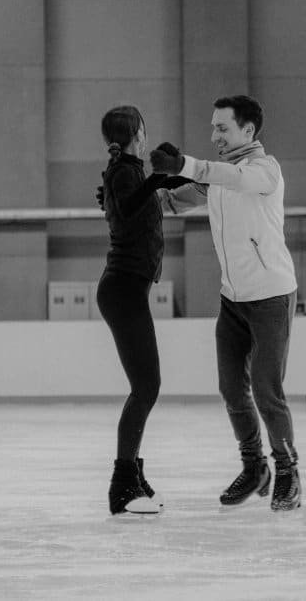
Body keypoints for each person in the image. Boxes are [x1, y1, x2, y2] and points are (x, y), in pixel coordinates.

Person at [149, 95, 301, 511]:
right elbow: (173, 200)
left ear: (248, 131)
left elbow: (230, 177)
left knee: (267, 390)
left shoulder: (264, 171)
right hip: (233, 299)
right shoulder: (216, 179)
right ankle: (255, 467)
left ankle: (287, 470)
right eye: (213, 127)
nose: (214, 135)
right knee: (232, 388)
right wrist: (127, 200)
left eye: (222, 128)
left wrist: (183, 163)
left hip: (271, 297)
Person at [95, 105, 192, 516]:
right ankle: (122, 486)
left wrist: (179, 172)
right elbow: (133, 205)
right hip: (122, 291)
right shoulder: (124, 172)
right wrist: (158, 176)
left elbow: (139, 199)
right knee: (146, 388)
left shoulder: (126, 171)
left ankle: (133, 475)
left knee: (146, 386)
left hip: (127, 290)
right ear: (138, 134)